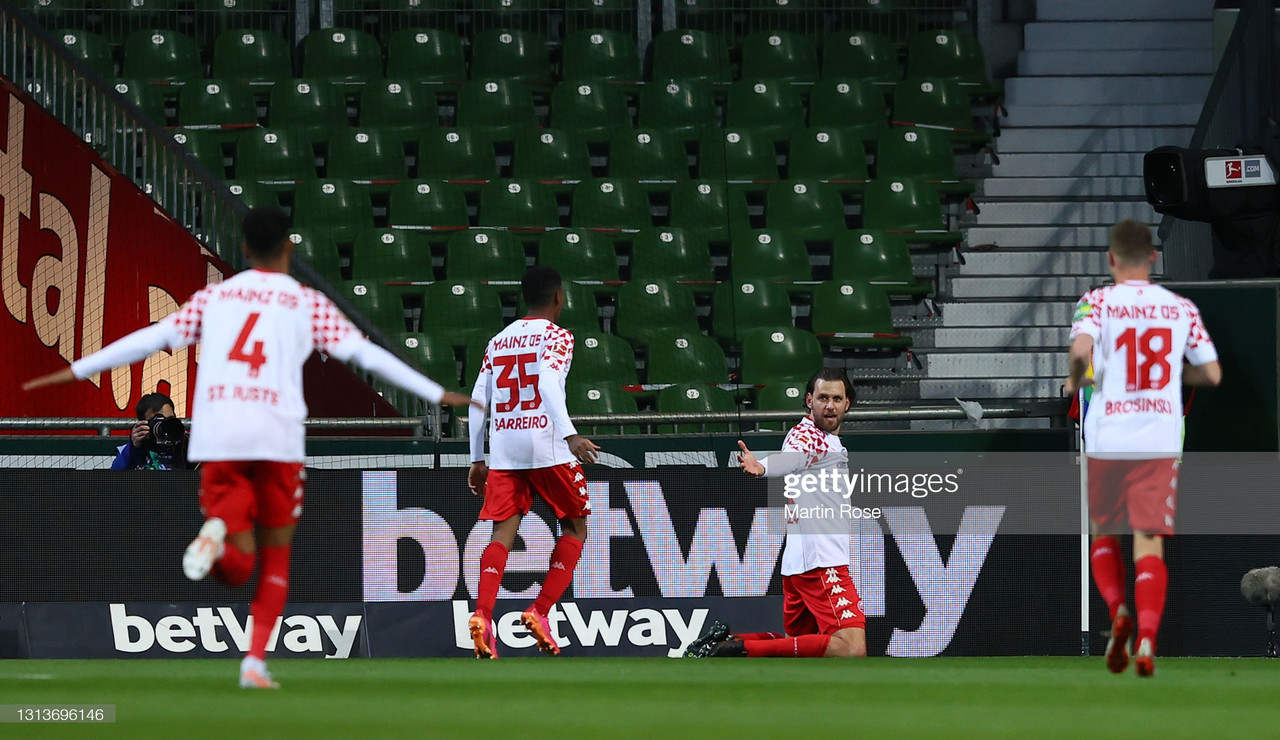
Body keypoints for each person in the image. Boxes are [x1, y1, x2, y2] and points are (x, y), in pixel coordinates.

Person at [22, 206, 476, 688]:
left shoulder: (214, 298)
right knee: (272, 559)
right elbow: (364, 354)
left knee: (234, 570)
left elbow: (149, 339)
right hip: (275, 436)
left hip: (221, 434)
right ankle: (253, 663)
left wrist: (75, 370)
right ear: (290, 247)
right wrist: (435, 393)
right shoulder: (306, 302)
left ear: (243, 249)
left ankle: (217, 527)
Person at [1064, 219, 1222, 677]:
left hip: (1110, 436)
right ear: (1153, 258)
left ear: (1111, 259)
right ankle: (1148, 636)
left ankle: (1118, 612)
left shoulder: (1096, 300)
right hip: (1158, 440)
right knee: (1148, 544)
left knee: (1105, 533)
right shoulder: (1180, 307)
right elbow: (1211, 374)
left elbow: (1080, 354)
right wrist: (1171, 377)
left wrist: (1078, 379)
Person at [467, 267, 600, 659]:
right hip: (548, 446)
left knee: (501, 535)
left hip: (506, 449)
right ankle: (539, 611)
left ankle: (483, 615)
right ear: (559, 297)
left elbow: (478, 399)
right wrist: (571, 434)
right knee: (576, 526)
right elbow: (546, 383)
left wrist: (477, 458)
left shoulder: (498, 341)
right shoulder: (558, 336)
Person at [688, 367, 867, 659]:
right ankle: (737, 648)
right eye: (823, 397)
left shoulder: (824, 439)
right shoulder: (809, 436)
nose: (829, 405)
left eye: (836, 398)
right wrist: (763, 467)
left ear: (847, 403)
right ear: (809, 400)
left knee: (798, 647)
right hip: (821, 562)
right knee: (851, 649)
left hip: (798, 562)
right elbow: (793, 457)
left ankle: (729, 640)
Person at [111, 392, 192, 470]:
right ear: (143, 424)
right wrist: (134, 448)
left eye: (170, 419)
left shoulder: (184, 445)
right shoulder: (131, 451)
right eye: (159, 421)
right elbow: (114, 477)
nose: (165, 426)